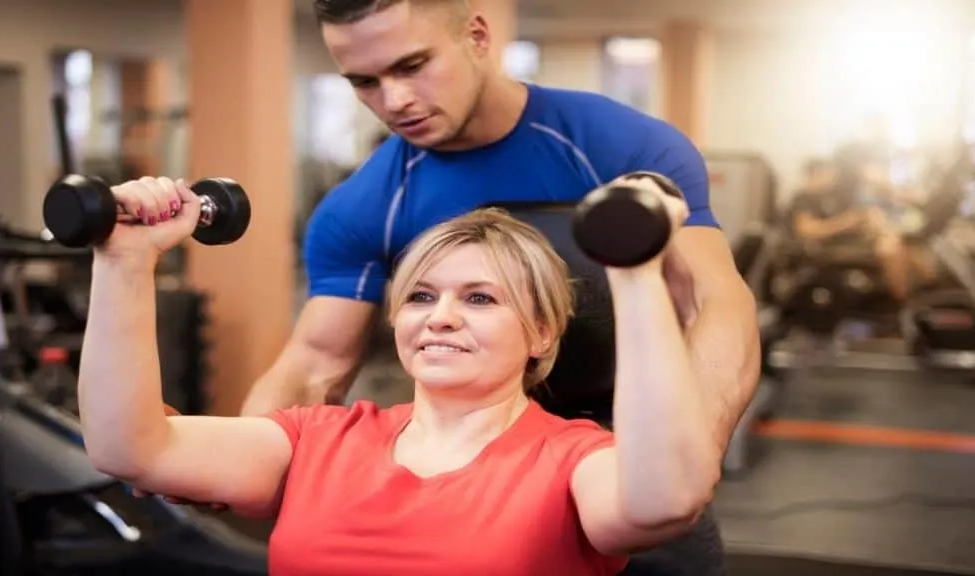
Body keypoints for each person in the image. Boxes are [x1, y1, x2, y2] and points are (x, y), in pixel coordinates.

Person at [146, 1, 759, 573]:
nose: (395, 100)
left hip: (627, 451)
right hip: (476, 475)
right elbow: (315, 363)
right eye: (364, 82)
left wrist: (693, 451)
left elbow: (713, 301)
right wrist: (236, 456)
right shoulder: (365, 205)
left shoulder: (618, 145)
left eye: (413, 65)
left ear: (476, 36)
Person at [78, 175, 721, 575]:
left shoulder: (575, 462)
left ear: (542, 332)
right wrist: (124, 263)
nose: (439, 317)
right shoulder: (317, 440)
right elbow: (130, 448)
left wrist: (635, 271)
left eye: (479, 299)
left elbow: (664, 500)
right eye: (420, 297)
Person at [786, 156, 938, 302]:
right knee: (888, 248)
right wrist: (848, 221)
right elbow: (807, 231)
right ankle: (902, 300)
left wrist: (862, 221)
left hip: (846, 241)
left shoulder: (826, 198)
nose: (833, 180)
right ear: (815, 173)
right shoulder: (803, 198)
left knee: (907, 244)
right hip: (826, 249)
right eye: (829, 175)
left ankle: (929, 292)